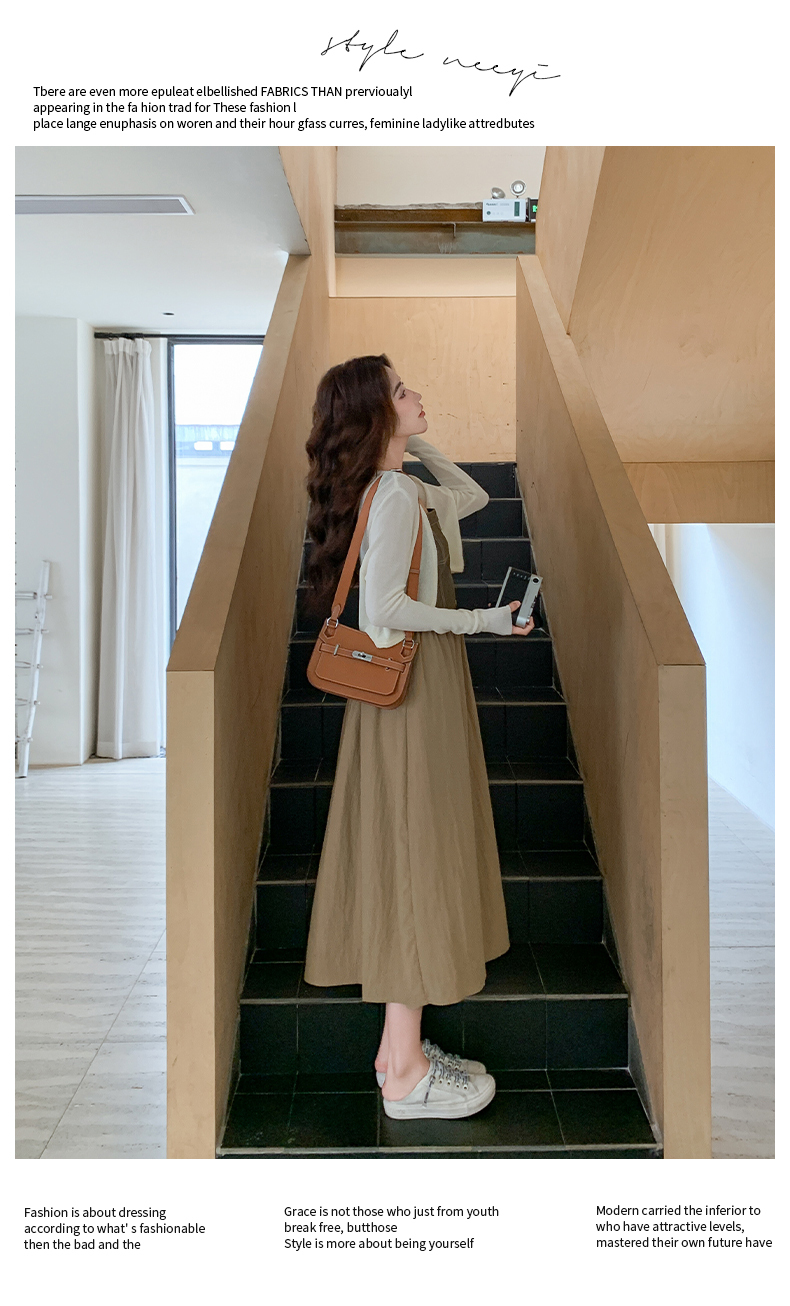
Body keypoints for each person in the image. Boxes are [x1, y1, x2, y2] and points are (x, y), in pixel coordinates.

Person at [302, 354, 533, 1120]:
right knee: (415, 859)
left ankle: (394, 1053)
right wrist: (485, 620)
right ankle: (405, 1077)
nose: (419, 393)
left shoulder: (401, 486)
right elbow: (384, 612)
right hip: (413, 692)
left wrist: (409, 439)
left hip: (414, 694)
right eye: (402, 391)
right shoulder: (395, 495)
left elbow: (472, 496)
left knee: (410, 854)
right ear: (377, 411)